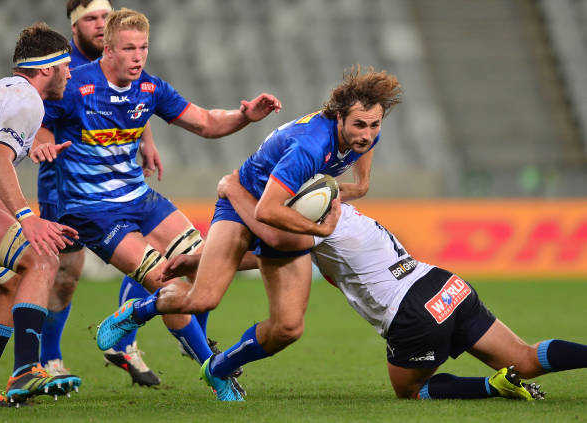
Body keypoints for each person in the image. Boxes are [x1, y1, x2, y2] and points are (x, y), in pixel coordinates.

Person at [96, 66, 402, 401]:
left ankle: (218, 366)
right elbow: (267, 212)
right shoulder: (310, 147)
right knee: (202, 299)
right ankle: (139, 310)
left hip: (281, 207)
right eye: (359, 125)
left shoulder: (365, 134)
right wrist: (319, 226)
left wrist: (347, 190)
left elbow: (358, 183)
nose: (366, 135)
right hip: (244, 203)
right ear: (339, 116)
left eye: (374, 125)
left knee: (288, 329)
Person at [165, 170, 587, 401]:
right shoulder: (338, 214)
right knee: (527, 357)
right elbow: (264, 255)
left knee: (412, 390)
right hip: (445, 285)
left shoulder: (308, 225)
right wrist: (199, 261)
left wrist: (232, 189)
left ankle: (490, 388)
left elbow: (271, 239)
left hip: (412, 312)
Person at [41, 8, 281, 400]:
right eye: (129, 48)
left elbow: (204, 122)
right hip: (93, 210)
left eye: (144, 48)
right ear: (108, 48)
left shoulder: (151, 89)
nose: (138, 56)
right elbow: (40, 117)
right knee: (166, 282)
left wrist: (244, 116)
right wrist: (39, 142)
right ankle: (217, 373)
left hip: (142, 199)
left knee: (208, 261)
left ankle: (132, 315)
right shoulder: (74, 84)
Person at [29, 0, 163, 386]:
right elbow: (39, 115)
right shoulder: (61, 68)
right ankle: (49, 358)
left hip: (119, 186)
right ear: (74, 26)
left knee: (149, 250)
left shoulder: (125, 52)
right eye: (91, 19)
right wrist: (43, 142)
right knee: (66, 275)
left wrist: (147, 139)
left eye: (105, 16)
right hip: (66, 190)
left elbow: (137, 97)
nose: (101, 24)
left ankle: (125, 339)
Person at [0, 22, 81, 406]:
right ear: (48, 68)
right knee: (41, 258)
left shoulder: (2, 91)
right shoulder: (29, 101)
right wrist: (27, 217)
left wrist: (27, 218)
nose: (71, 73)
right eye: (67, 65)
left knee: (11, 281)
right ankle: (25, 369)